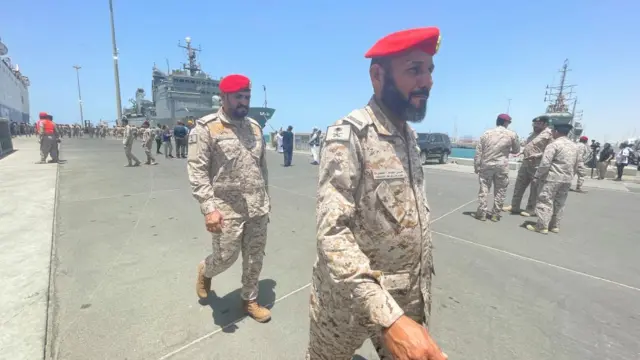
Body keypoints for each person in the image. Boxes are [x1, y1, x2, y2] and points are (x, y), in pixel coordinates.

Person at [306, 27, 447, 360]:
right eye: (414, 69)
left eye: (429, 70)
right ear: (377, 75)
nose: (426, 81)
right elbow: (332, 232)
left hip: (407, 299)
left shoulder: (409, 137)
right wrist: (387, 316)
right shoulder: (350, 134)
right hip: (347, 301)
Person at [188, 74, 271, 323]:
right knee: (226, 257)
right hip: (225, 209)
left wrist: (267, 200)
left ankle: (250, 300)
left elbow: (262, 168)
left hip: (257, 207)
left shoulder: (255, 128)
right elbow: (197, 170)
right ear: (224, 97)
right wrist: (209, 208)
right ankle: (206, 269)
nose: (243, 102)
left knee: (255, 258)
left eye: (246, 97)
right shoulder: (206, 128)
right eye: (238, 97)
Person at [526, 123, 582, 234]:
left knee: (545, 200)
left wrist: (537, 175)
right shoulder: (575, 146)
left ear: (556, 132)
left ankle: (542, 226)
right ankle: (555, 226)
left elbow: (545, 163)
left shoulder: (553, 145)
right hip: (566, 179)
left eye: (553, 131)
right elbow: (578, 164)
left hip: (552, 178)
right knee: (560, 202)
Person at [503, 115, 553, 216]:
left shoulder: (549, 135)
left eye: (538, 124)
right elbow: (529, 146)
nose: (535, 126)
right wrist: (521, 152)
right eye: (534, 124)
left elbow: (552, 151)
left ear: (545, 124)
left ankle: (530, 209)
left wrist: (538, 155)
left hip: (537, 166)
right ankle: (514, 206)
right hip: (526, 164)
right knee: (519, 186)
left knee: (534, 188)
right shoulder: (533, 134)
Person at [473, 113, 520, 221]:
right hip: (501, 166)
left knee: (484, 189)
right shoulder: (511, 134)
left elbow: (478, 152)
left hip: (486, 165)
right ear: (505, 122)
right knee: (500, 190)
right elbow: (516, 150)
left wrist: (477, 166)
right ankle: (495, 214)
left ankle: (482, 213)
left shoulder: (486, 133)